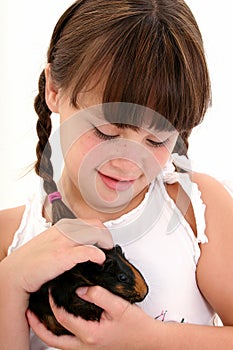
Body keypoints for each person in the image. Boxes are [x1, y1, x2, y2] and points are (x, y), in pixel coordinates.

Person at [0, 0, 233, 349]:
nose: (128, 162)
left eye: (156, 139)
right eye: (107, 132)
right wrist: (9, 284)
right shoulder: (11, 239)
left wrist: (150, 338)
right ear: (54, 90)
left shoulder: (195, 211)